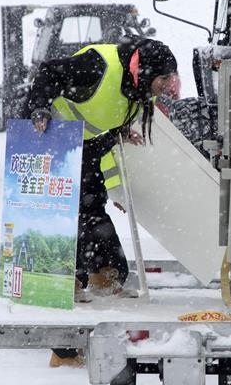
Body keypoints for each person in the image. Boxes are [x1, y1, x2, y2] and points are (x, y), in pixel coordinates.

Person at [26, 37, 180, 303]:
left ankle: (104, 276)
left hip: (86, 145)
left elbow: (104, 122)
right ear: (145, 71)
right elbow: (49, 71)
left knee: (92, 205)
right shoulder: (98, 65)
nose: (168, 85)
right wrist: (40, 108)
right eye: (164, 78)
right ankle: (65, 280)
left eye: (171, 77)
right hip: (52, 135)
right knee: (66, 212)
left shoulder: (139, 90)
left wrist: (117, 185)